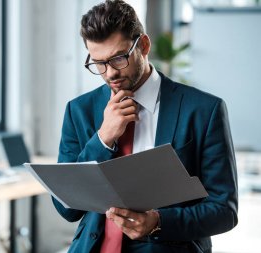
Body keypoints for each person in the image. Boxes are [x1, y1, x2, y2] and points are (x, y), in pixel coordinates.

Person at [52, 0, 238, 252]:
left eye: (118, 58)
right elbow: (67, 209)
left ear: (144, 45)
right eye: (98, 63)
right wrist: (103, 139)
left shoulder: (204, 110)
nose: (110, 74)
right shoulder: (79, 111)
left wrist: (159, 223)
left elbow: (224, 210)